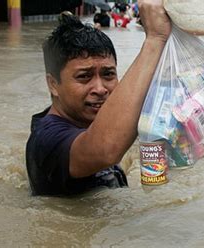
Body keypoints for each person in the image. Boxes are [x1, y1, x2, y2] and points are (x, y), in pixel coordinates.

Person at [25, 0, 171, 196]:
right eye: (84, 76)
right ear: (53, 84)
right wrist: (155, 39)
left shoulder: (88, 121)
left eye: (108, 74)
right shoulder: (47, 139)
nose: (101, 89)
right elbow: (106, 150)